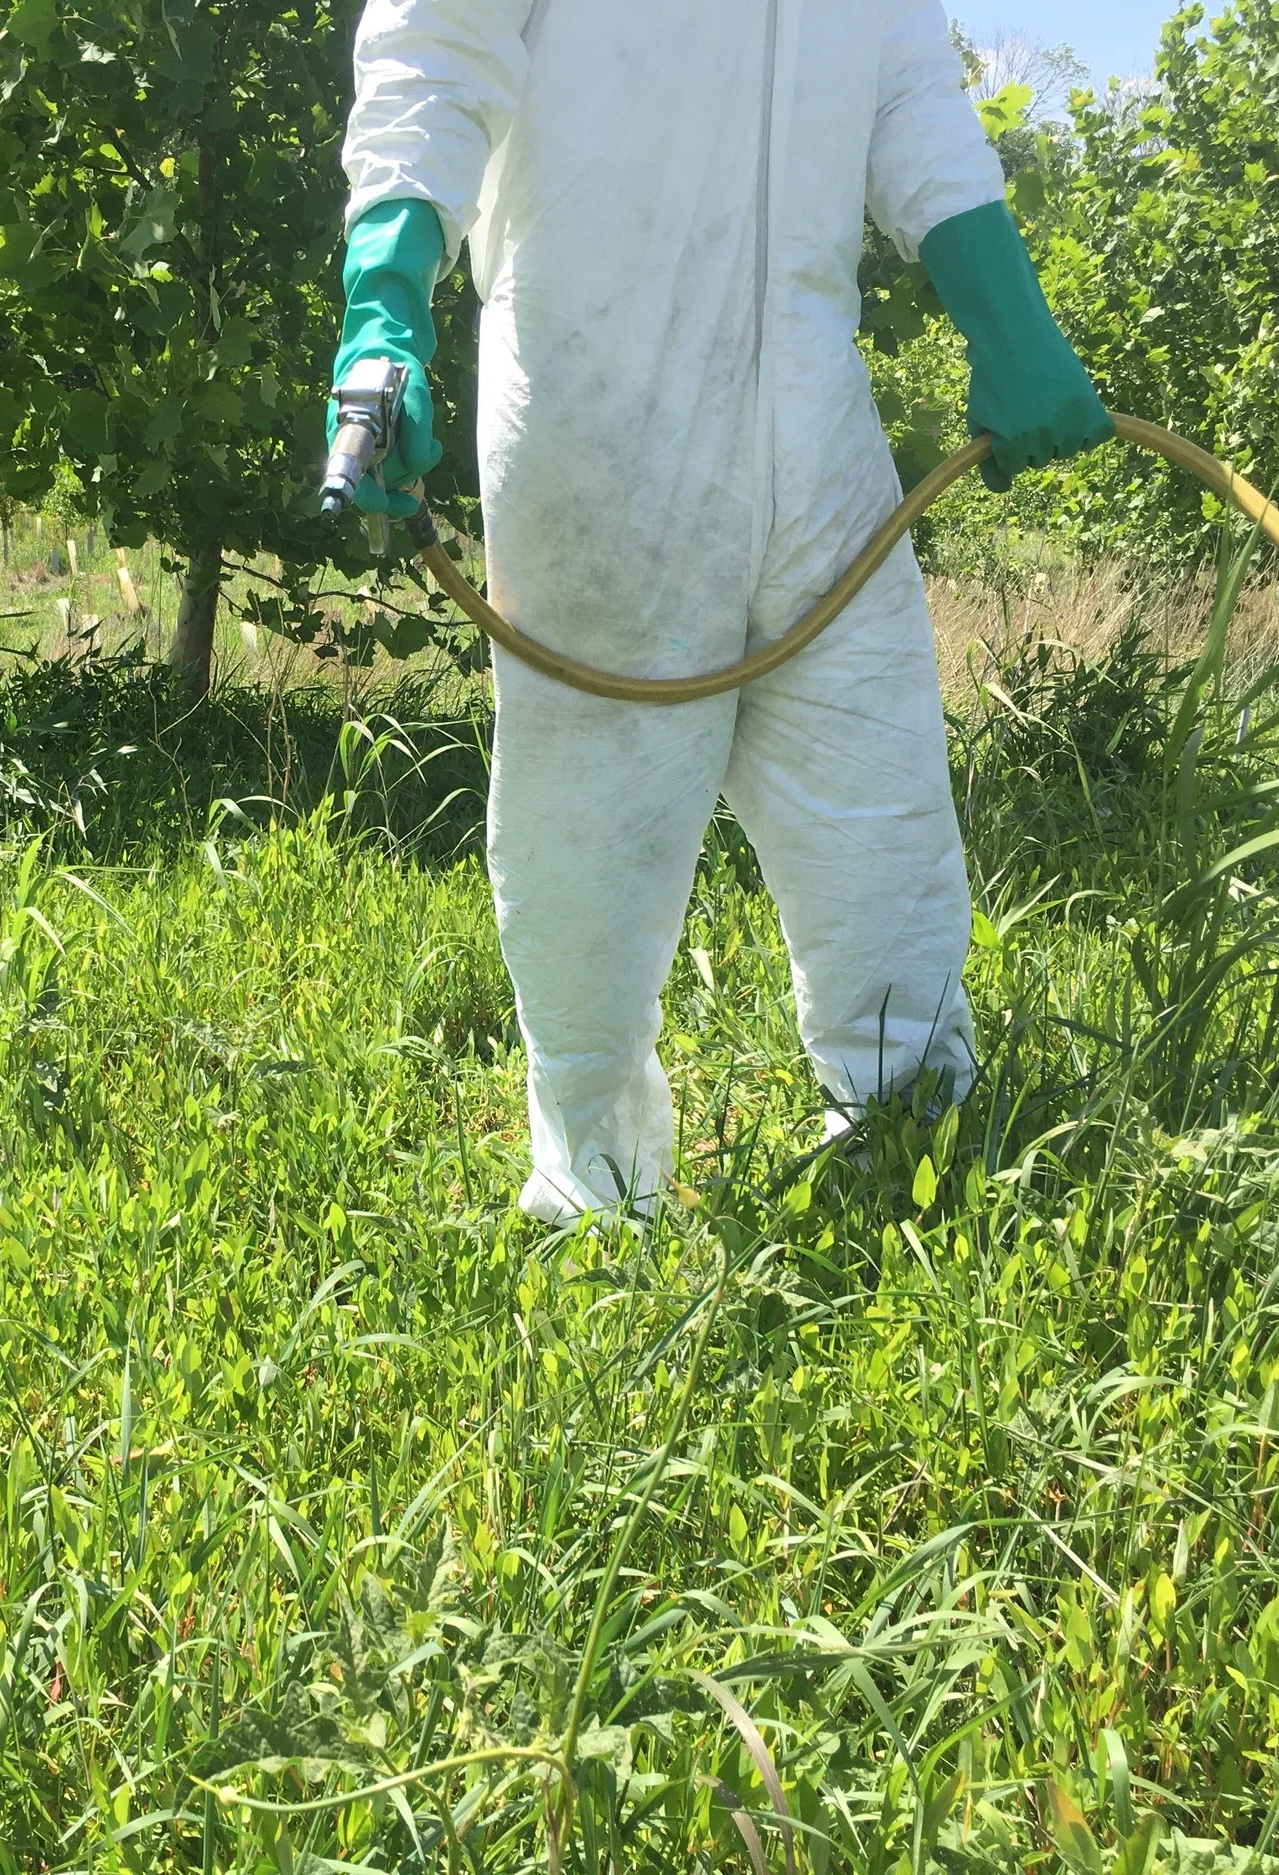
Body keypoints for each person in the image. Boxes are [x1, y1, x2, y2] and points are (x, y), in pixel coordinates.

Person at [329, 0, 1113, 1222]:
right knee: (587, 829)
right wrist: (384, 306)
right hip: (598, 407)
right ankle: (593, 1187)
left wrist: (1007, 319)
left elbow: (908, 93)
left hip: (816, 418)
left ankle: (914, 1139)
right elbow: (434, 56)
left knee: (877, 790)